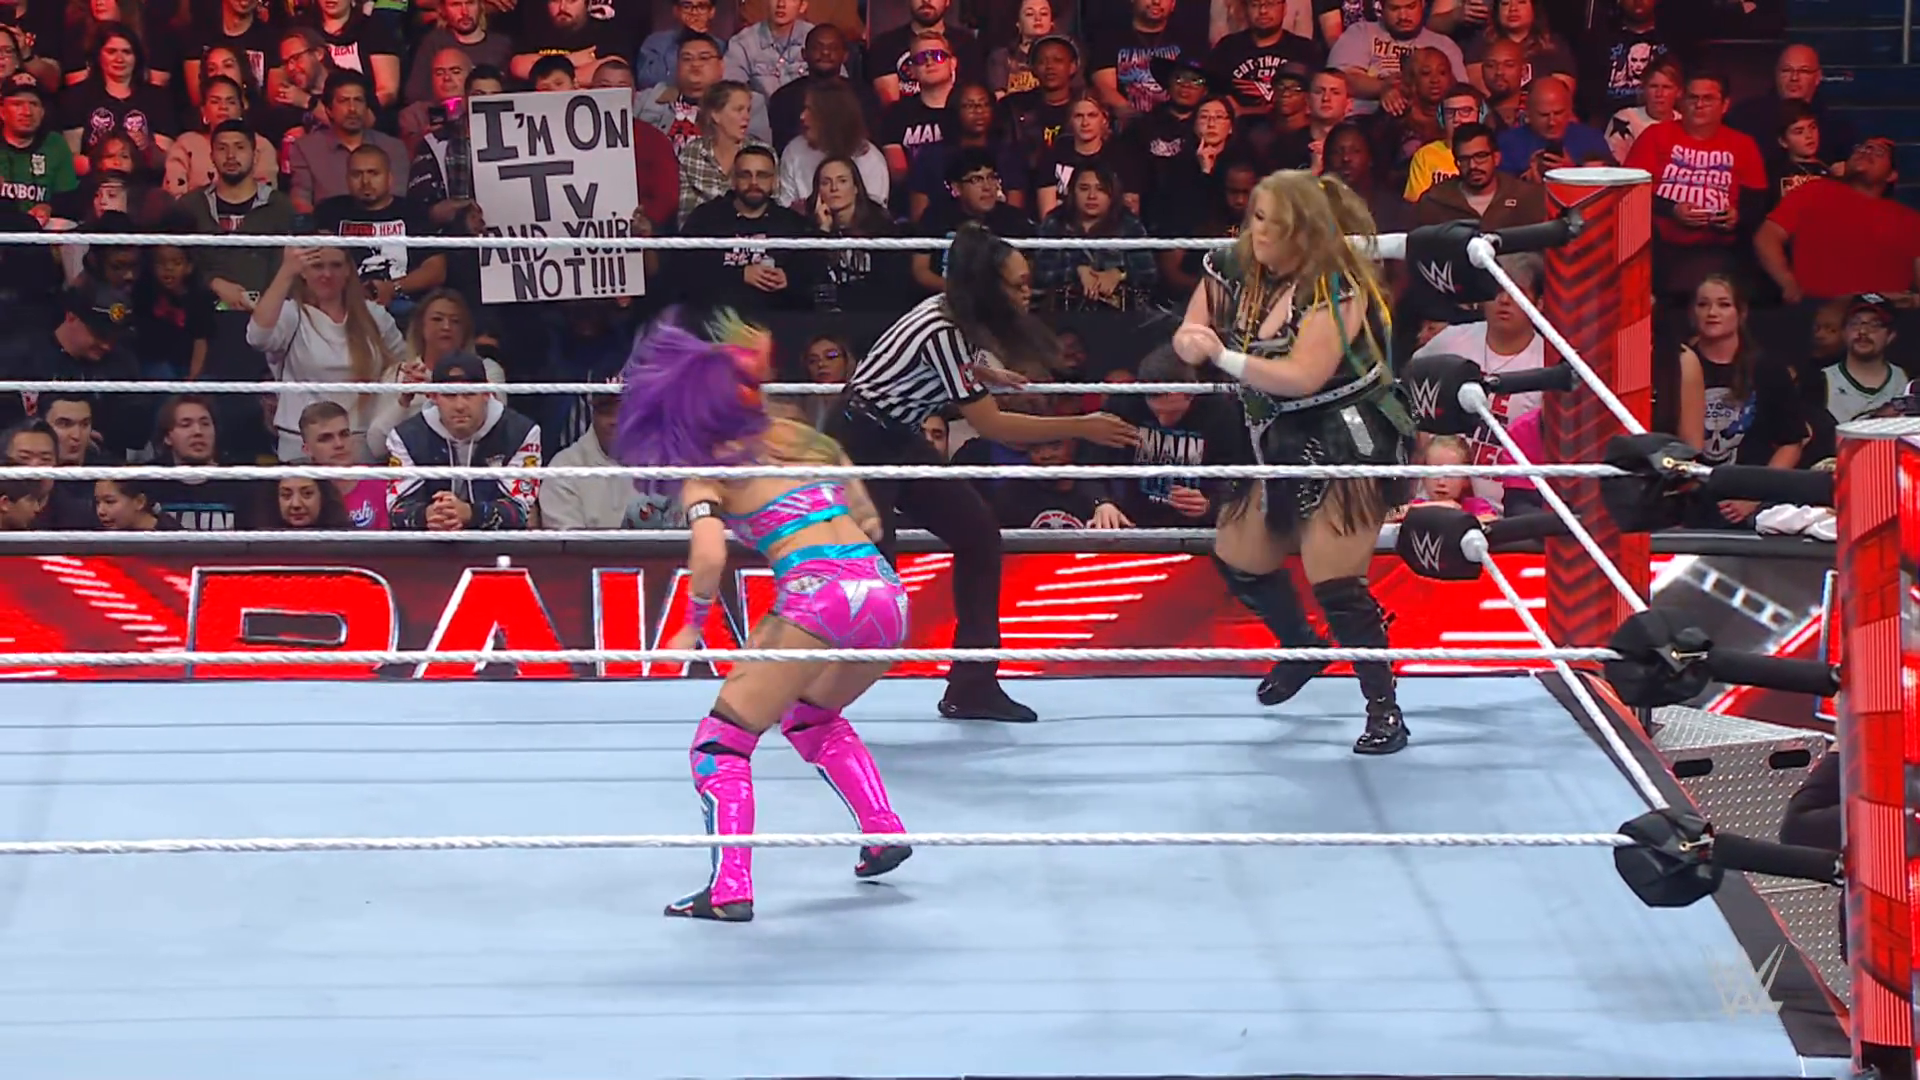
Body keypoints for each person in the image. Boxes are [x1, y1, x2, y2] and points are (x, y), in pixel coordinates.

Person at [613, 312, 913, 922]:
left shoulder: (708, 468)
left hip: (817, 593)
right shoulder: (802, 440)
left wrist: (693, 623)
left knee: (719, 744)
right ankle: (882, 830)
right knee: (809, 717)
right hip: (886, 593)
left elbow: (708, 555)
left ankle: (729, 889)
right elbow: (867, 513)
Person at [826, 223, 1138, 723]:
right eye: (1017, 284)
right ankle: (804, 697)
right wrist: (1083, 426)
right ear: (988, 287)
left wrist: (985, 375)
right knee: (875, 587)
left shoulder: (958, 318)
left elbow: (941, 368)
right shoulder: (943, 328)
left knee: (978, 534)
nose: (1026, 293)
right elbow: (992, 424)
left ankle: (973, 685)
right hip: (859, 443)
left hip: (896, 435)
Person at [1171, 170, 1416, 755]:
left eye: (1273, 224)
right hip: (1277, 433)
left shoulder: (1336, 285)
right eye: (1256, 217)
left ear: (1303, 232)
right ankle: (1303, 645)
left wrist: (1222, 358)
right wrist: (1191, 342)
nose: (1259, 232)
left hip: (1350, 431)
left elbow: (1303, 375)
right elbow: (1191, 326)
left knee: (1335, 577)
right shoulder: (1234, 265)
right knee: (1239, 555)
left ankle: (1385, 710)